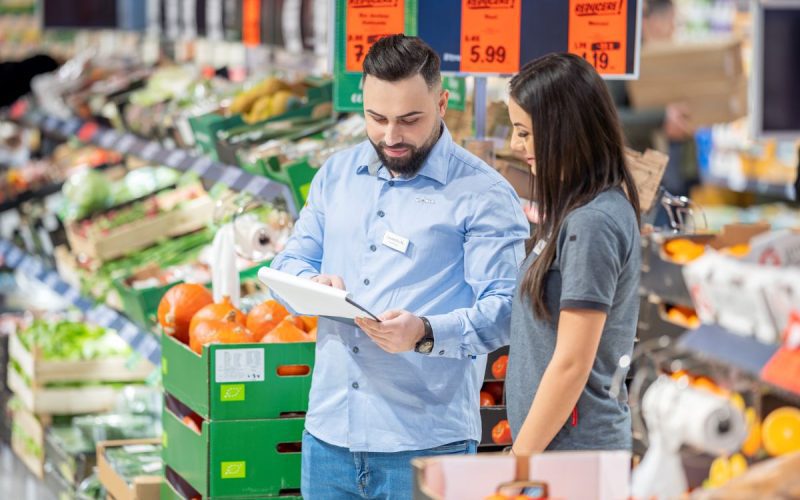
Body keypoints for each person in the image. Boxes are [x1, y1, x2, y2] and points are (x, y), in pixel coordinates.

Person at [270, 34, 529, 498]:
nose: (391, 137)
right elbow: (290, 259)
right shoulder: (336, 175)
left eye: (410, 120)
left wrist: (425, 332)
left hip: (428, 444)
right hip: (328, 435)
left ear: (442, 102)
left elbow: (508, 308)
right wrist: (311, 282)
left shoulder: (484, 195)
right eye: (377, 118)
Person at [505, 53, 642, 455]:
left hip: (574, 453)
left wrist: (519, 459)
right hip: (556, 448)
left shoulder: (592, 222)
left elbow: (571, 364)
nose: (515, 145)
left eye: (525, 133)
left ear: (564, 130)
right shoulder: (576, 209)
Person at [606, 0, 697, 198]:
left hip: (662, 171)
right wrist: (663, 116)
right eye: (672, 22)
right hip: (634, 174)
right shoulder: (623, 57)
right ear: (654, 21)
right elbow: (608, 118)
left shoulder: (658, 58)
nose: (673, 30)